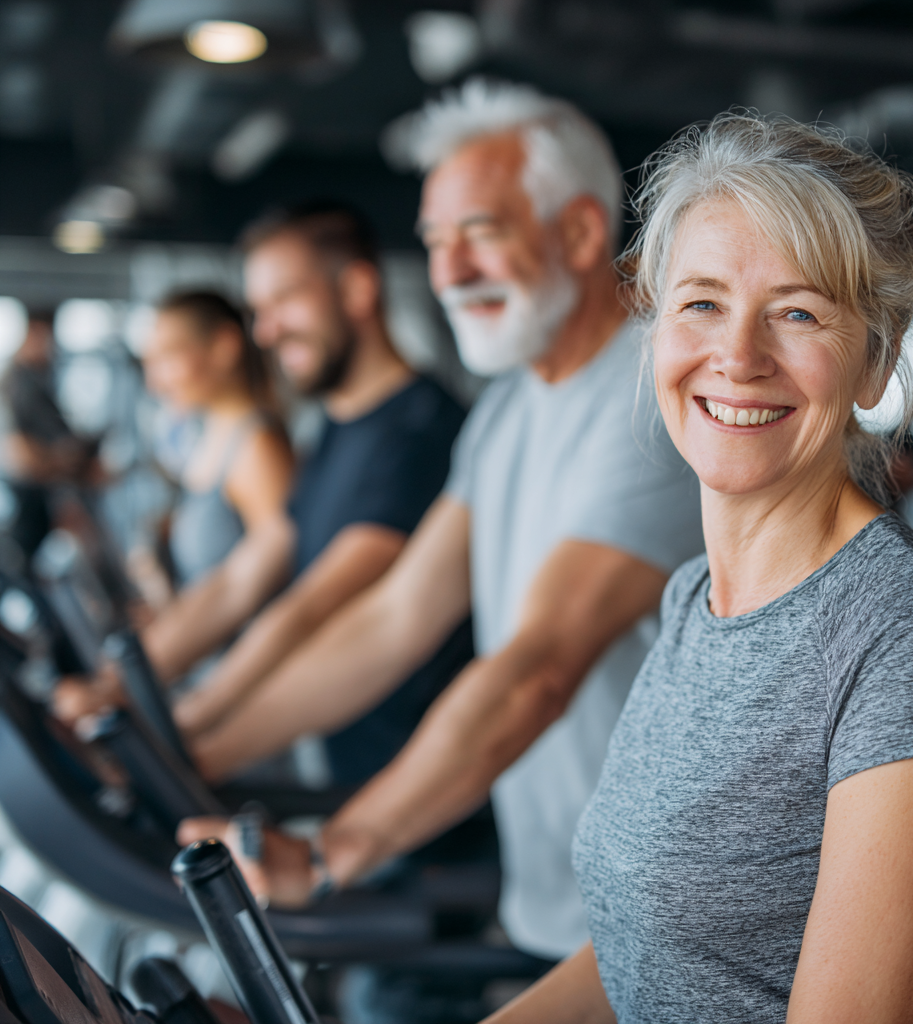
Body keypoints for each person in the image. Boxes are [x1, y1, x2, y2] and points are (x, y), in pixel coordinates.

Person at [479, 115, 913, 1023]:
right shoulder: (693, 599)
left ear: (877, 360)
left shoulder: (904, 635)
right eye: (702, 303)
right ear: (653, 332)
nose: (737, 356)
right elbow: (636, 954)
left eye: (798, 312)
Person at [179, 80, 704, 964]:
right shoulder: (506, 410)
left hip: (670, 927)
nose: (451, 271)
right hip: (553, 898)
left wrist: (333, 850)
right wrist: (198, 749)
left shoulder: (650, 402)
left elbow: (538, 666)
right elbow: (394, 620)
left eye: (482, 234)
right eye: (435, 242)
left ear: (579, 233)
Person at [55, 203, 471, 787]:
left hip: (425, 794)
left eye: (285, 301)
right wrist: (117, 686)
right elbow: (241, 580)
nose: (265, 331)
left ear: (356, 288)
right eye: (259, 310)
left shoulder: (421, 433)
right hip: (348, 771)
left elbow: (315, 605)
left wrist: (182, 730)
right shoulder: (331, 429)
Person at [133, 291, 295, 667]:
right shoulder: (210, 438)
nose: (156, 381)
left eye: (168, 357)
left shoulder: (257, 448)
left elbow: (278, 594)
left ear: (224, 347)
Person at [0, 310, 98, 556]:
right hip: (30, 498)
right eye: (46, 337)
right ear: (33, 332)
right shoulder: (17, 383)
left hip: (46, 495)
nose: (50, 347)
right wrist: (66, 462)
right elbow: (20, 455)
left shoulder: (38, 377)